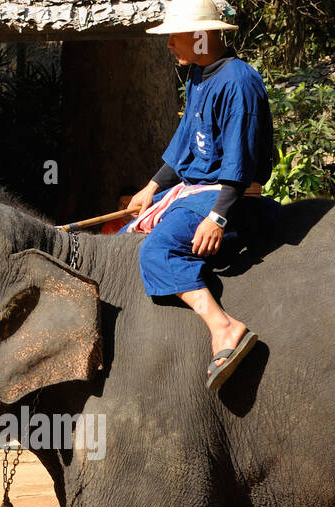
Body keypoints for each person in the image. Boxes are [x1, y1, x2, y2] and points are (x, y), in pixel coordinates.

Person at [125, 0, 272, 390]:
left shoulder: (239, 82)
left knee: (158, 250)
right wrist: (151, 188)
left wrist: (218, 218)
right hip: (195, 191)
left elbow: (239, 165)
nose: (169, 44)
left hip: (229, 197)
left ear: (202, 36)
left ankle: (223, 327)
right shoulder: (197, 76)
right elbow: (186, 146)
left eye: (175, 36)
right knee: (126, 237)